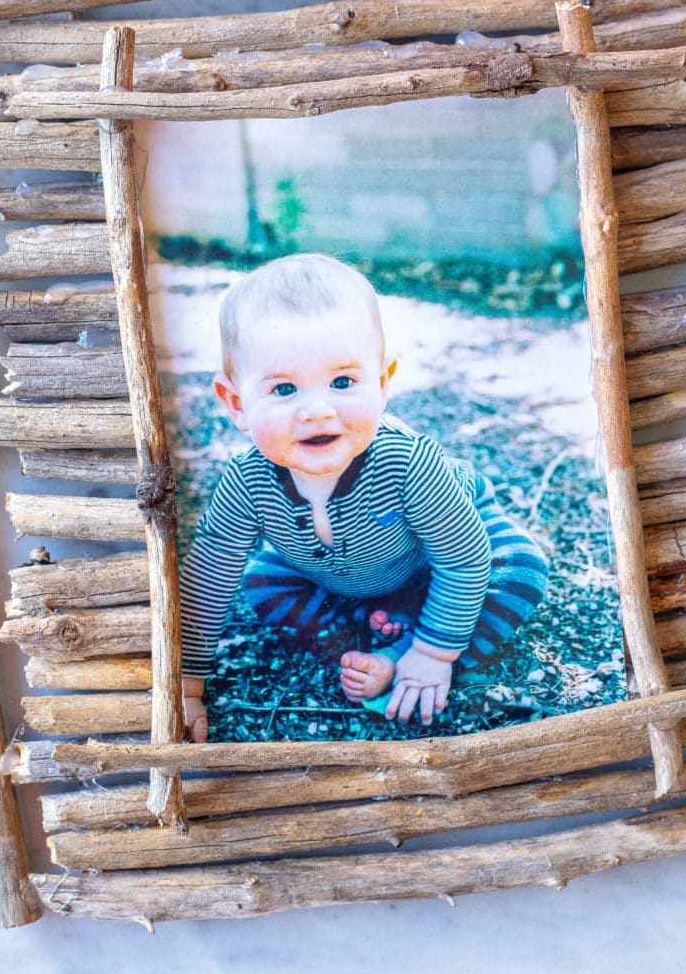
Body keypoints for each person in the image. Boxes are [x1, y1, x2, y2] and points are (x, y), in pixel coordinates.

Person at [179, 253, 549, 738]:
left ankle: (409, 651)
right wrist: (185, 684)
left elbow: (463, 560)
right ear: (237, 404)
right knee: (262, 581)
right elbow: (207, 580)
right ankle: (362, 642)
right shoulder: (248, 483)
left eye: (342, 382)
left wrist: (430, 656)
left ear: (381, 383)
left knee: (521, 566)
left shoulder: (408, 463)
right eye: (285, 388)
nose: (316, 410)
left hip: (440, 561)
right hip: (344, 580)